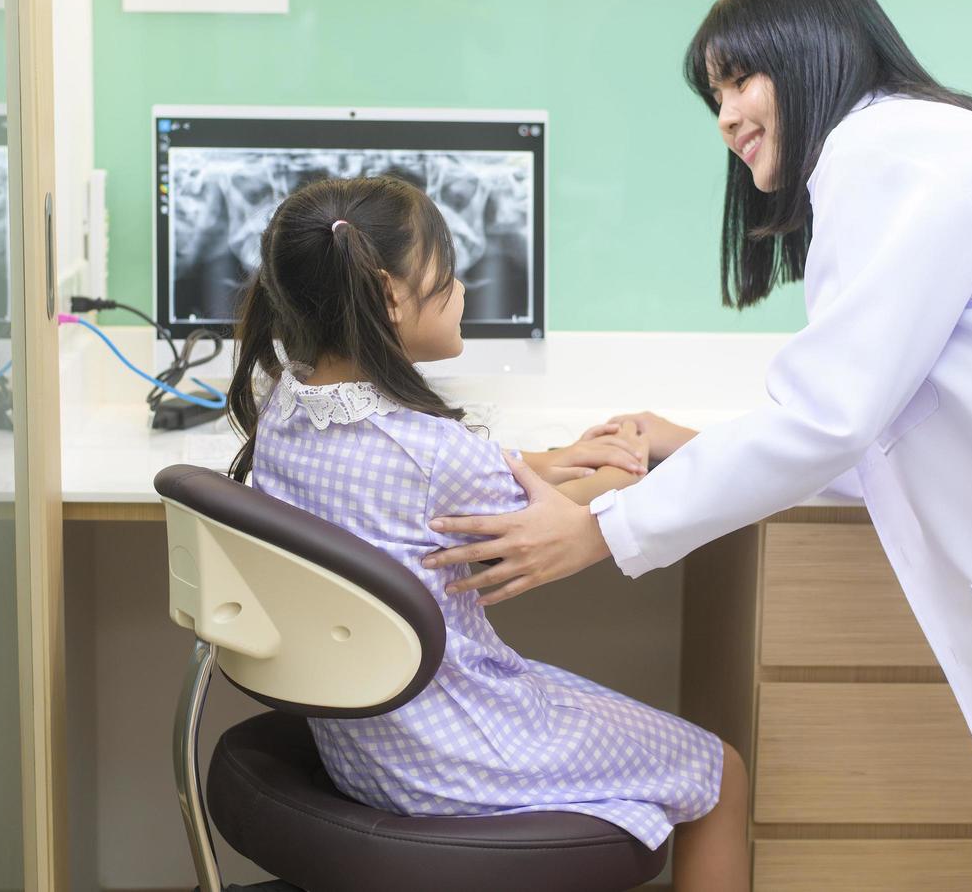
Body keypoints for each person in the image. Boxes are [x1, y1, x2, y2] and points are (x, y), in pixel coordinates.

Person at [420, 0, 972, 892]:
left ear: (811, 56)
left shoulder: (887, 153)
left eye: (739, 79)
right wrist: (702, 453)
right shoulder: (912, 154)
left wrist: (599, 526)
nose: (724, 116)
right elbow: (878, 428)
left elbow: (833, 419)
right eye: (713, 93)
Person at [224, 175, 750, 891]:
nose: (464, 289)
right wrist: (628, 457)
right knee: (716, 771)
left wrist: (554, 460)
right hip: (464, 754)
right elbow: (559, 510)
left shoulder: (285, 405)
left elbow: (472, 482)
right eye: (448, 276)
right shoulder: (433, 453)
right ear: (390, 296)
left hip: (367, 749)